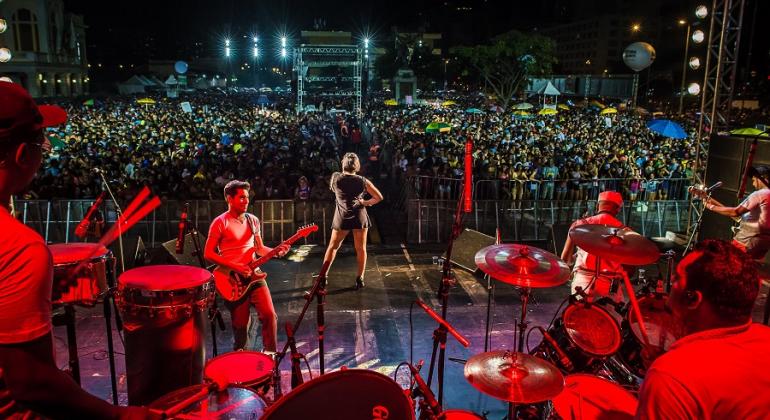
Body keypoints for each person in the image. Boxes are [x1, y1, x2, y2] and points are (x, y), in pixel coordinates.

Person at [0, 81, 151, 418]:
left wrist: (40, 297)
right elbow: (33, 384)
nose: (46, 149)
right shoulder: (19, 247)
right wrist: (119, 416)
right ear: (24, 155)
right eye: (42, 142)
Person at [636, 239, 770, 419]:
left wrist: (670, 375)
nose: (669, 290)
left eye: (676, 278)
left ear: (693, 299)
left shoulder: (671, 378)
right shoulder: (765, 336)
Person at [204, 180, 290, 352]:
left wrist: (275, 251)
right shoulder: (220, 222)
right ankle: (241, 360)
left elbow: (259, 248)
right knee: (241, 326)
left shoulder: (253, 220)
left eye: (247, 197)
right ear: (229, 198)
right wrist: (235, 267)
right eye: (241, 197)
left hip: (254, 275)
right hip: (232, 280)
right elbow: (208, 253)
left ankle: (270, 357)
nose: (246, 201)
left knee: (269, 316)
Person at [322, 153, 383, 289]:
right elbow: (379, 197)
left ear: (343, 164)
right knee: (361, 249)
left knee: (333, 247)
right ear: (357, 165)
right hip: (359, 216)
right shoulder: (363, 180)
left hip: (342, 216)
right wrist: (365, 202)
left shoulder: (335, 178)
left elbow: (334, 191)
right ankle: (360, 278)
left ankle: (323, 276)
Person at [560, 190, 629, 301]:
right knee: (610, 317)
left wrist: (577, 257)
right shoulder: (625, 231)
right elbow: (629, 268)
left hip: (582, 284)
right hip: (610, 286)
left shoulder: (579, 225)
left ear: (597, 206)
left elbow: (565, 259)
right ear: (617, 210)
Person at [698, 165, 770, 260]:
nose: (753, 184)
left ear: (761, 178)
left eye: (753, 180)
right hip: (762, 244)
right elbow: (740, 217)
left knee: (729, 266)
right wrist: (710, 200)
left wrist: (710, 206)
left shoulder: (760, 194)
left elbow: (735, 212)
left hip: (746, 241)